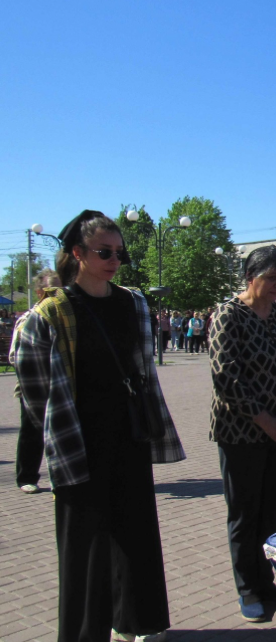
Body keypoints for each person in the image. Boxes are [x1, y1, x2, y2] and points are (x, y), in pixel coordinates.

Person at [16, 210, 186, 642]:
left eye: (118, 252)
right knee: (83, 549)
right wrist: (57, 432)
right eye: (104, 251)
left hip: (128, 433)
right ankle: (83, 633)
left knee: (137, 534)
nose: (114, 259)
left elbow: (143, 368)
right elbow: (34, 388)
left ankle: (139, 621)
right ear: (78, 253)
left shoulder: (133, 303)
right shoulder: (51, 312)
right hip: (79, 441)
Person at [208, 245, 276, 623]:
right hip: (241, 434)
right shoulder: (227, 315)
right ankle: (247, 588)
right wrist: (267, 420)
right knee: (244, 513)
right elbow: (226, 379)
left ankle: (266, 583)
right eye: (271, 279)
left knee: (269, 512)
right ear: (250, 278)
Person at [10, 269, 61, 494]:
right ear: (40, 291)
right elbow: (15, 355)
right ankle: (27, 477)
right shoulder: (30, 318)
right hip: (33, 386)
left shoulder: (66, 317)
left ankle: (60, 475)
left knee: (61, 431)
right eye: (51, 290)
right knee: (32, 431)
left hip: (61, 384)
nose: (56, 295)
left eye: (60, 291)